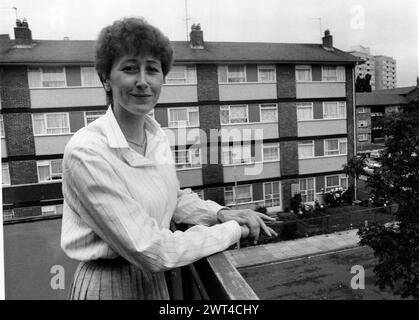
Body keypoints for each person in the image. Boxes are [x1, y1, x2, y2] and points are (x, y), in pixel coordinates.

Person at [60, 17, 277, 300]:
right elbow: (152, 250)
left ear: (162, 78)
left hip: (155, 284)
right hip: (109, 287)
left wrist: (219, 213)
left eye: (152, 69)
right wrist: (233, 230)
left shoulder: (157, 137)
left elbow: (171, 198)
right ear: (105, 79)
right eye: (129, 69)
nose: (142, 81)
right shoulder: (87, 151)